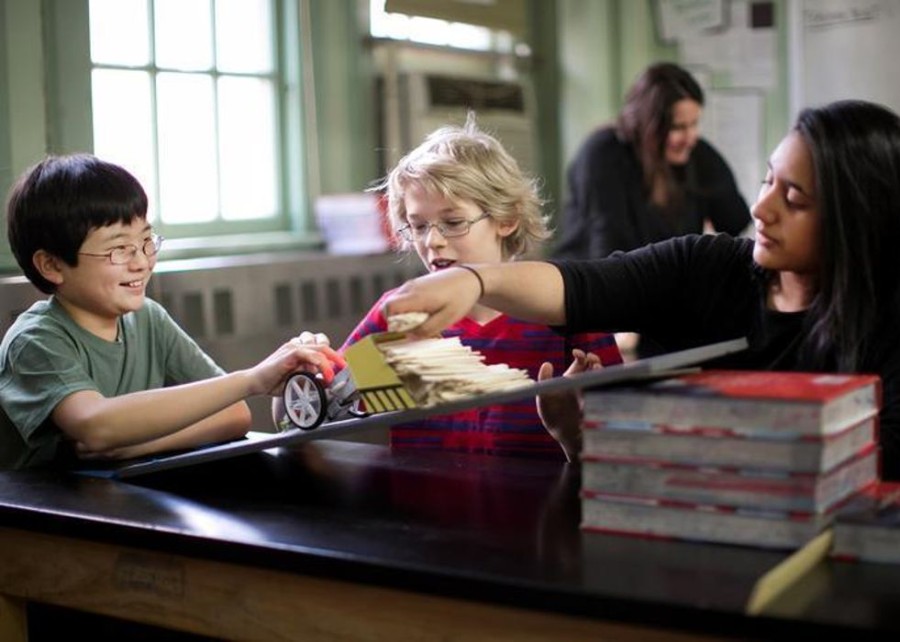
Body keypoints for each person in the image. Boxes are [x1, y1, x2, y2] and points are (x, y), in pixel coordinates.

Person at [381, 100, 900, 480]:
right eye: (767, 182)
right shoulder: (709, 265)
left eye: (794, 197)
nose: (762, 209)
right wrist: (474, 279)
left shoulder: (885, 326)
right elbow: (583, 283)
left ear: (856, 216)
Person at [274, 114, 622, 462]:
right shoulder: (400, 318)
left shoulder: (565, 312)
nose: (433, 241)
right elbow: (305, 417)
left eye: (453, 223)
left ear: (507, 219)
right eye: (418, 226)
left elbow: (623, 443)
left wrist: (572, 433)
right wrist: (298, 374)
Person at [0, 154, 344, 470]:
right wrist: (251, 379)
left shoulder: (148, 318)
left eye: (146, 242)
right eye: (119, 249)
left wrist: (132, 446)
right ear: (51, 264)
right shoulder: (35, 341)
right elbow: (96, 425)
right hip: (37, 520)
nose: (140, 262)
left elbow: (234, 414)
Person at [555, 61, 751, 260]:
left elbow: (734, 221)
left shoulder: (694, 152)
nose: (690, 137)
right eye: (677, 127)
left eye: (694, 123)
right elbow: (608, 253)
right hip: (593, 281)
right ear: (648, 125)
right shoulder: (603, 153)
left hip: (653, 280)